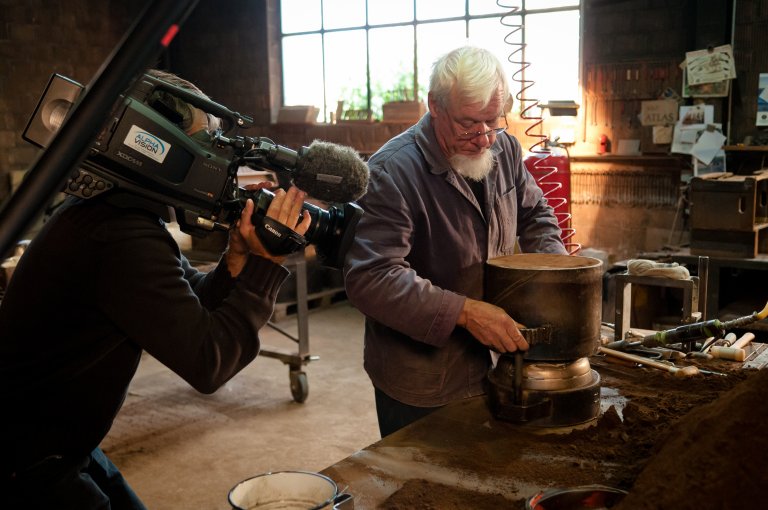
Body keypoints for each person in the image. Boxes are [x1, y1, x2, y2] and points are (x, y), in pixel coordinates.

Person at [0, 70, 311, 509]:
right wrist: (265, 266)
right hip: (27, 463)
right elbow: (208, 362)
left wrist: (236, 261)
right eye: (205, 147)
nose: (215, 165)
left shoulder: (118, 214)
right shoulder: (118, 236)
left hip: (57, 445)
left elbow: (190, 303)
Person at [343, 46, 568, 438]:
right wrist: (465, 313)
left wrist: (560, 277)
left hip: (495, 363)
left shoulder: (506, 149)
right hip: (421, 379)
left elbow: (536, 215)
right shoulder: (391, 172)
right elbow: (372, 278)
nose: (482, 139)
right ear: (434, 105)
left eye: (491, 122)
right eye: (468, 124)